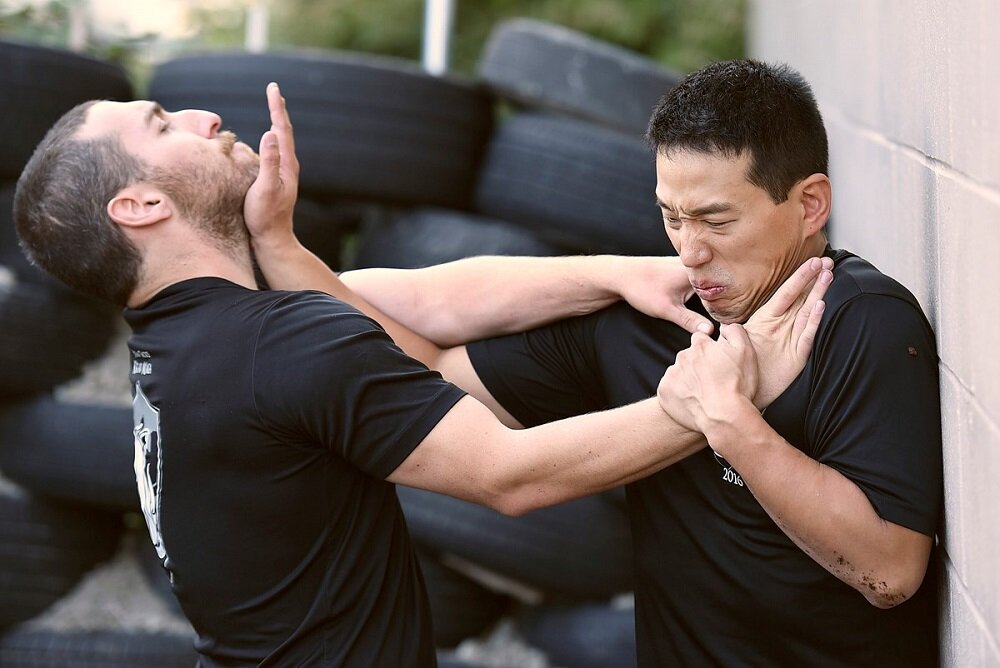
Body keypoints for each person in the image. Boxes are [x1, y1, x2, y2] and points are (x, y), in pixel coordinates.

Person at [13, 80, 830, 665]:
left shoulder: (189, 340)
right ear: (141, 206)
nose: (200, 113)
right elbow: (512, 476)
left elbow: (418, 302)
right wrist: (723, 397)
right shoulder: (276, 345)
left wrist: (613, 273)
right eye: (162, 125)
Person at [257, 61, 943, 666]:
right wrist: (282, 251)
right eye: (671, 217)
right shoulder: (647, 324)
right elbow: (425, 367)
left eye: (716, 220)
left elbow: (890, 571)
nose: (691, 249)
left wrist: (732, 423)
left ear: (809, 204)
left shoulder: (862, 321)